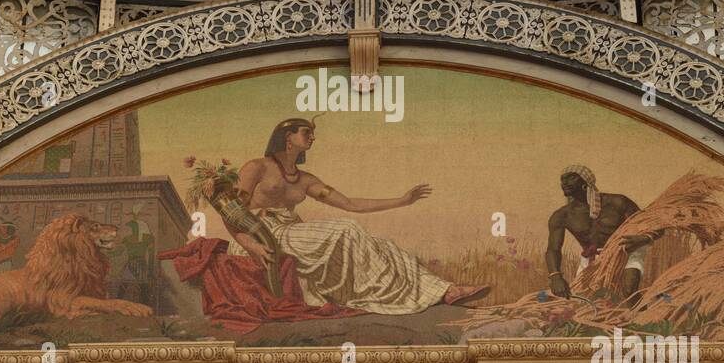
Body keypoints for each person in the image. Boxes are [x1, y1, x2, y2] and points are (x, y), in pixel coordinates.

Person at [225, 117, 488, 313]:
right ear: (287, 136)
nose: (313, 138)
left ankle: (446, 290)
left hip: (291, 231)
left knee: (384, 245)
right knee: (346, 230)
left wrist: (403, 200)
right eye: (307, 132)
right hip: (265, 234)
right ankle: (382, 294)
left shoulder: (305, 179)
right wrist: (251, 244)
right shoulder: (256, 167)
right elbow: (232, 211)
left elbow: (351, 204)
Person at [546, 165, 653, 302]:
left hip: (626, 250)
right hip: (593, 257)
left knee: (628, 291)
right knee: (584, 300)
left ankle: (643, 316)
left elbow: (652, 225)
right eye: (562, 179)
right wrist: (555, 276)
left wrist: (644, 239)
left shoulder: (617, 202)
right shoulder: (561, 216)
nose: (564, 183)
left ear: (585, 182)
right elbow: (553, 249)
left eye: (571, 177)